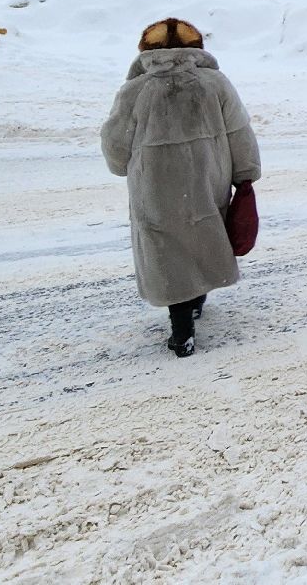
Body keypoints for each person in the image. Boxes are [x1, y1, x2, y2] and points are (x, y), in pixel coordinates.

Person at [101, 18, 261, 358]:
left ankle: (182, 329)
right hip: (207, 178)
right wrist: (245, 174)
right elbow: (239, 131)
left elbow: (116, 145)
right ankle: (197, 298)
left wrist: (121, 165)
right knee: (202, 234)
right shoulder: (215, 83)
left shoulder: (136, 89)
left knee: (166, 248)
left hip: (154, 185)